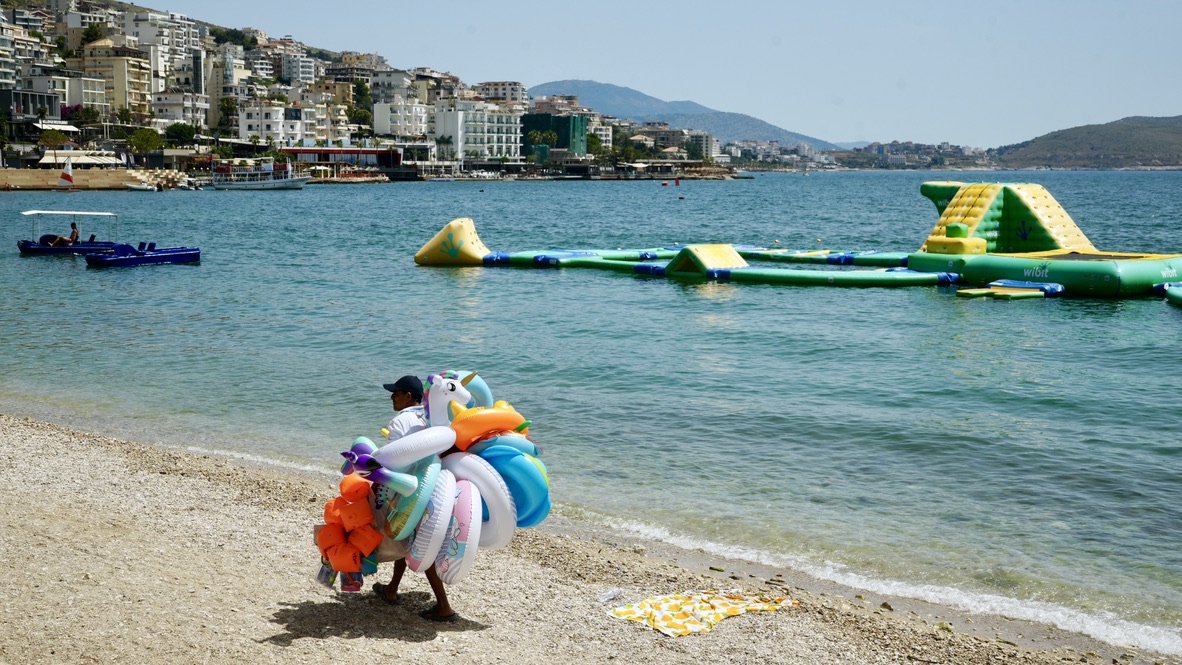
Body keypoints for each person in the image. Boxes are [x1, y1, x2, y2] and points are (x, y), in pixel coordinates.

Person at [372, 375, 459, 622]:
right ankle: (391, 589)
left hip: (413, 491)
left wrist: (385, 494)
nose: (392, 396)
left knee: (421, 545)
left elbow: (396, 464)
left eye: (396, 392)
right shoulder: (434, 417)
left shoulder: (401, 421)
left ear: (408, 396)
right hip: (441, 486)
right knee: (405, 537)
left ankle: (444, 607)